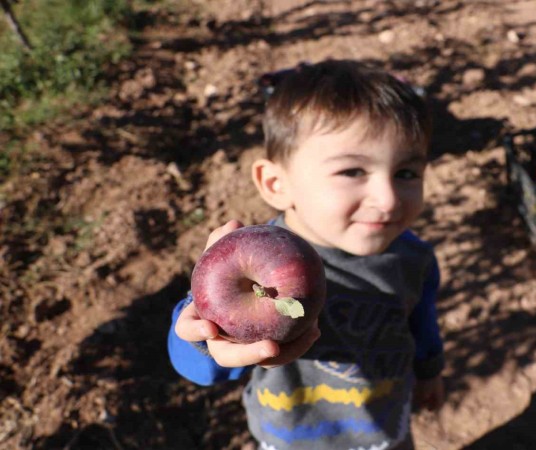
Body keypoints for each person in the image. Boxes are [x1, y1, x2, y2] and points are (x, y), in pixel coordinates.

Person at [168, 59, 446, 450]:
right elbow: (201, 367)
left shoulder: (413, 259)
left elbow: (422, 323)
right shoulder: (248, 274)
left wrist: (429, 369)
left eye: (406, 173)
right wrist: (203, 336)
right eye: (352, 172)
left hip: (385, 432)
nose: (387, 200)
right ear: (276, 183)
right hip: (289, 440)